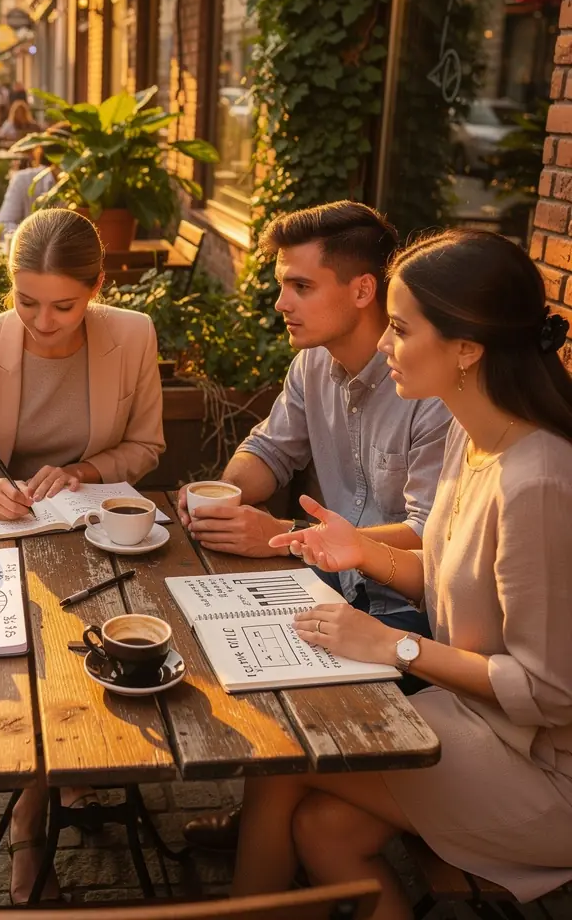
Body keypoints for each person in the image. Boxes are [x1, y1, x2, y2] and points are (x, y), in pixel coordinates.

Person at [228, 229, 572, 917]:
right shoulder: (471, 440)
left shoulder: (538, 480)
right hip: (477, 724)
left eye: (402, 329)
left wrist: (393, 646)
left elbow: (551, 692)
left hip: (544, 770)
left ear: (466, 351)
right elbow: (444, 572)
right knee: (321, 827)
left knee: (284, 762)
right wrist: (357, 548)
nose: (384, 344)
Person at [178, 201, 451, 853]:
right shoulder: (311, 366)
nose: (280, 304)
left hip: (408, 616)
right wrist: (220, 494)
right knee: (201, 632)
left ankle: (268, 816)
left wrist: (279, 536)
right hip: (328, 583)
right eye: (281, 285)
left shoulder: (431, 390)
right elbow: (271, 449)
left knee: (257, 669)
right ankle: (262, 820)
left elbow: (429, 539)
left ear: (362, 291)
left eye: (299, 286)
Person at [0, 207, 166, 902]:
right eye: (26, 301)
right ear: (9, 285)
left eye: (64, 305)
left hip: (98, 537)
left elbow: (147, 447)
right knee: (34, 651)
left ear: (98, 286)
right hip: (4, 543)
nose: (43, 321)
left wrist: (83, 471)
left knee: (118, 638)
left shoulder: (132, 334)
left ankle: (71, 771)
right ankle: (33, 818)